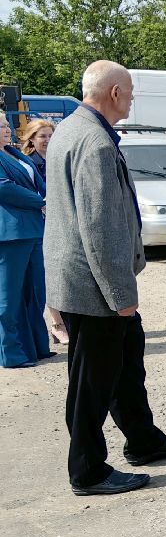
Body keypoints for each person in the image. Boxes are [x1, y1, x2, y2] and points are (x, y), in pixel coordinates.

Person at [45, 60, 166, 495]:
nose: (132, 98)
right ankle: (88, 470)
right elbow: (99, 227)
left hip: (79, 281)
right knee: (92, 382)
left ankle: (144, 440)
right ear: (113, 93)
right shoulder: (93, 142)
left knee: (126, 361)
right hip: (93, 287)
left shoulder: (72, 131)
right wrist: (119, 295)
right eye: (129, 90)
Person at [0, 119, 50, 367]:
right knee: (9, 297)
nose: (7, 130)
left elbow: (37, 182)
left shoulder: (13, 153)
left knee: (35, 292)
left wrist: (48, 195)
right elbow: (4, 188)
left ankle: (37, 347)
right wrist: (41, 201)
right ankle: (12, 354)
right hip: (11, 234)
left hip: (33, 230)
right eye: (1, 126)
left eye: (7, 126)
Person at [18, 118, 55, 182]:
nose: (48, 140)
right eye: (42, 136)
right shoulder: (27, 164)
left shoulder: (59, 159)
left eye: (51, 136)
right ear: (31, 138)